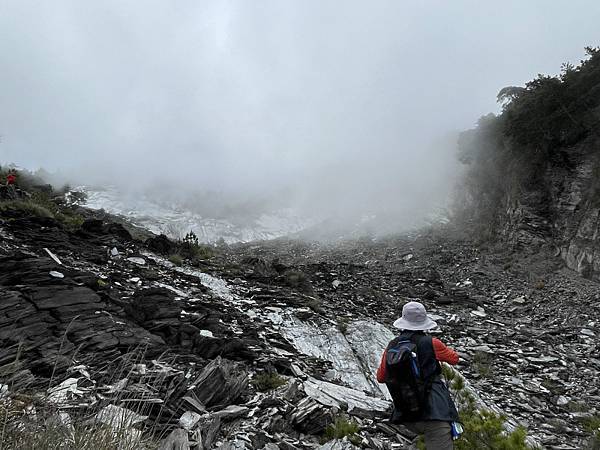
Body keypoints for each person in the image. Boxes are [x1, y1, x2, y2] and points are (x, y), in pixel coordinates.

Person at [377, 301, 460, 450]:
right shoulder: (431, 343)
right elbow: (454, 359)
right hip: (435, 414)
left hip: (407, 414)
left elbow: (381, 377)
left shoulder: (393, 345)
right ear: (424, 322)